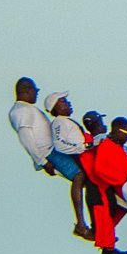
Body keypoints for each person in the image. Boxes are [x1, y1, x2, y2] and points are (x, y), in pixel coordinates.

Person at [80, 118, 127, 254]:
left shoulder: (116, 146)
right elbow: (100, 169)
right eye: (126, 134)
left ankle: (107, 243)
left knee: (110, 213)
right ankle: (107, 247)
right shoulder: (106, 145)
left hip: (111, 188)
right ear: (116, 130)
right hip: (100, 188)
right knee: (103, 214)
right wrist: (123, 179)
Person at [45, 91, 92, 240]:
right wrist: (82, 147)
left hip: (83, 152)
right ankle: (81, 222)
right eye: (63, 101)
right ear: (55, 107)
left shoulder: (66, 121)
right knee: (79, 176)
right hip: (79, 154)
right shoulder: (59, 122)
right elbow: (59, 143)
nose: (68, 103)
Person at [8, 77, 54, 174]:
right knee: (79, 175)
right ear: (27, 91)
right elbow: (25, 137)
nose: (37, 93)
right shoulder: (21, 110)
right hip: (48, 154)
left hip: (51, 152)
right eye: (35, 90)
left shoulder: (26, 108)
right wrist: (43, 161)